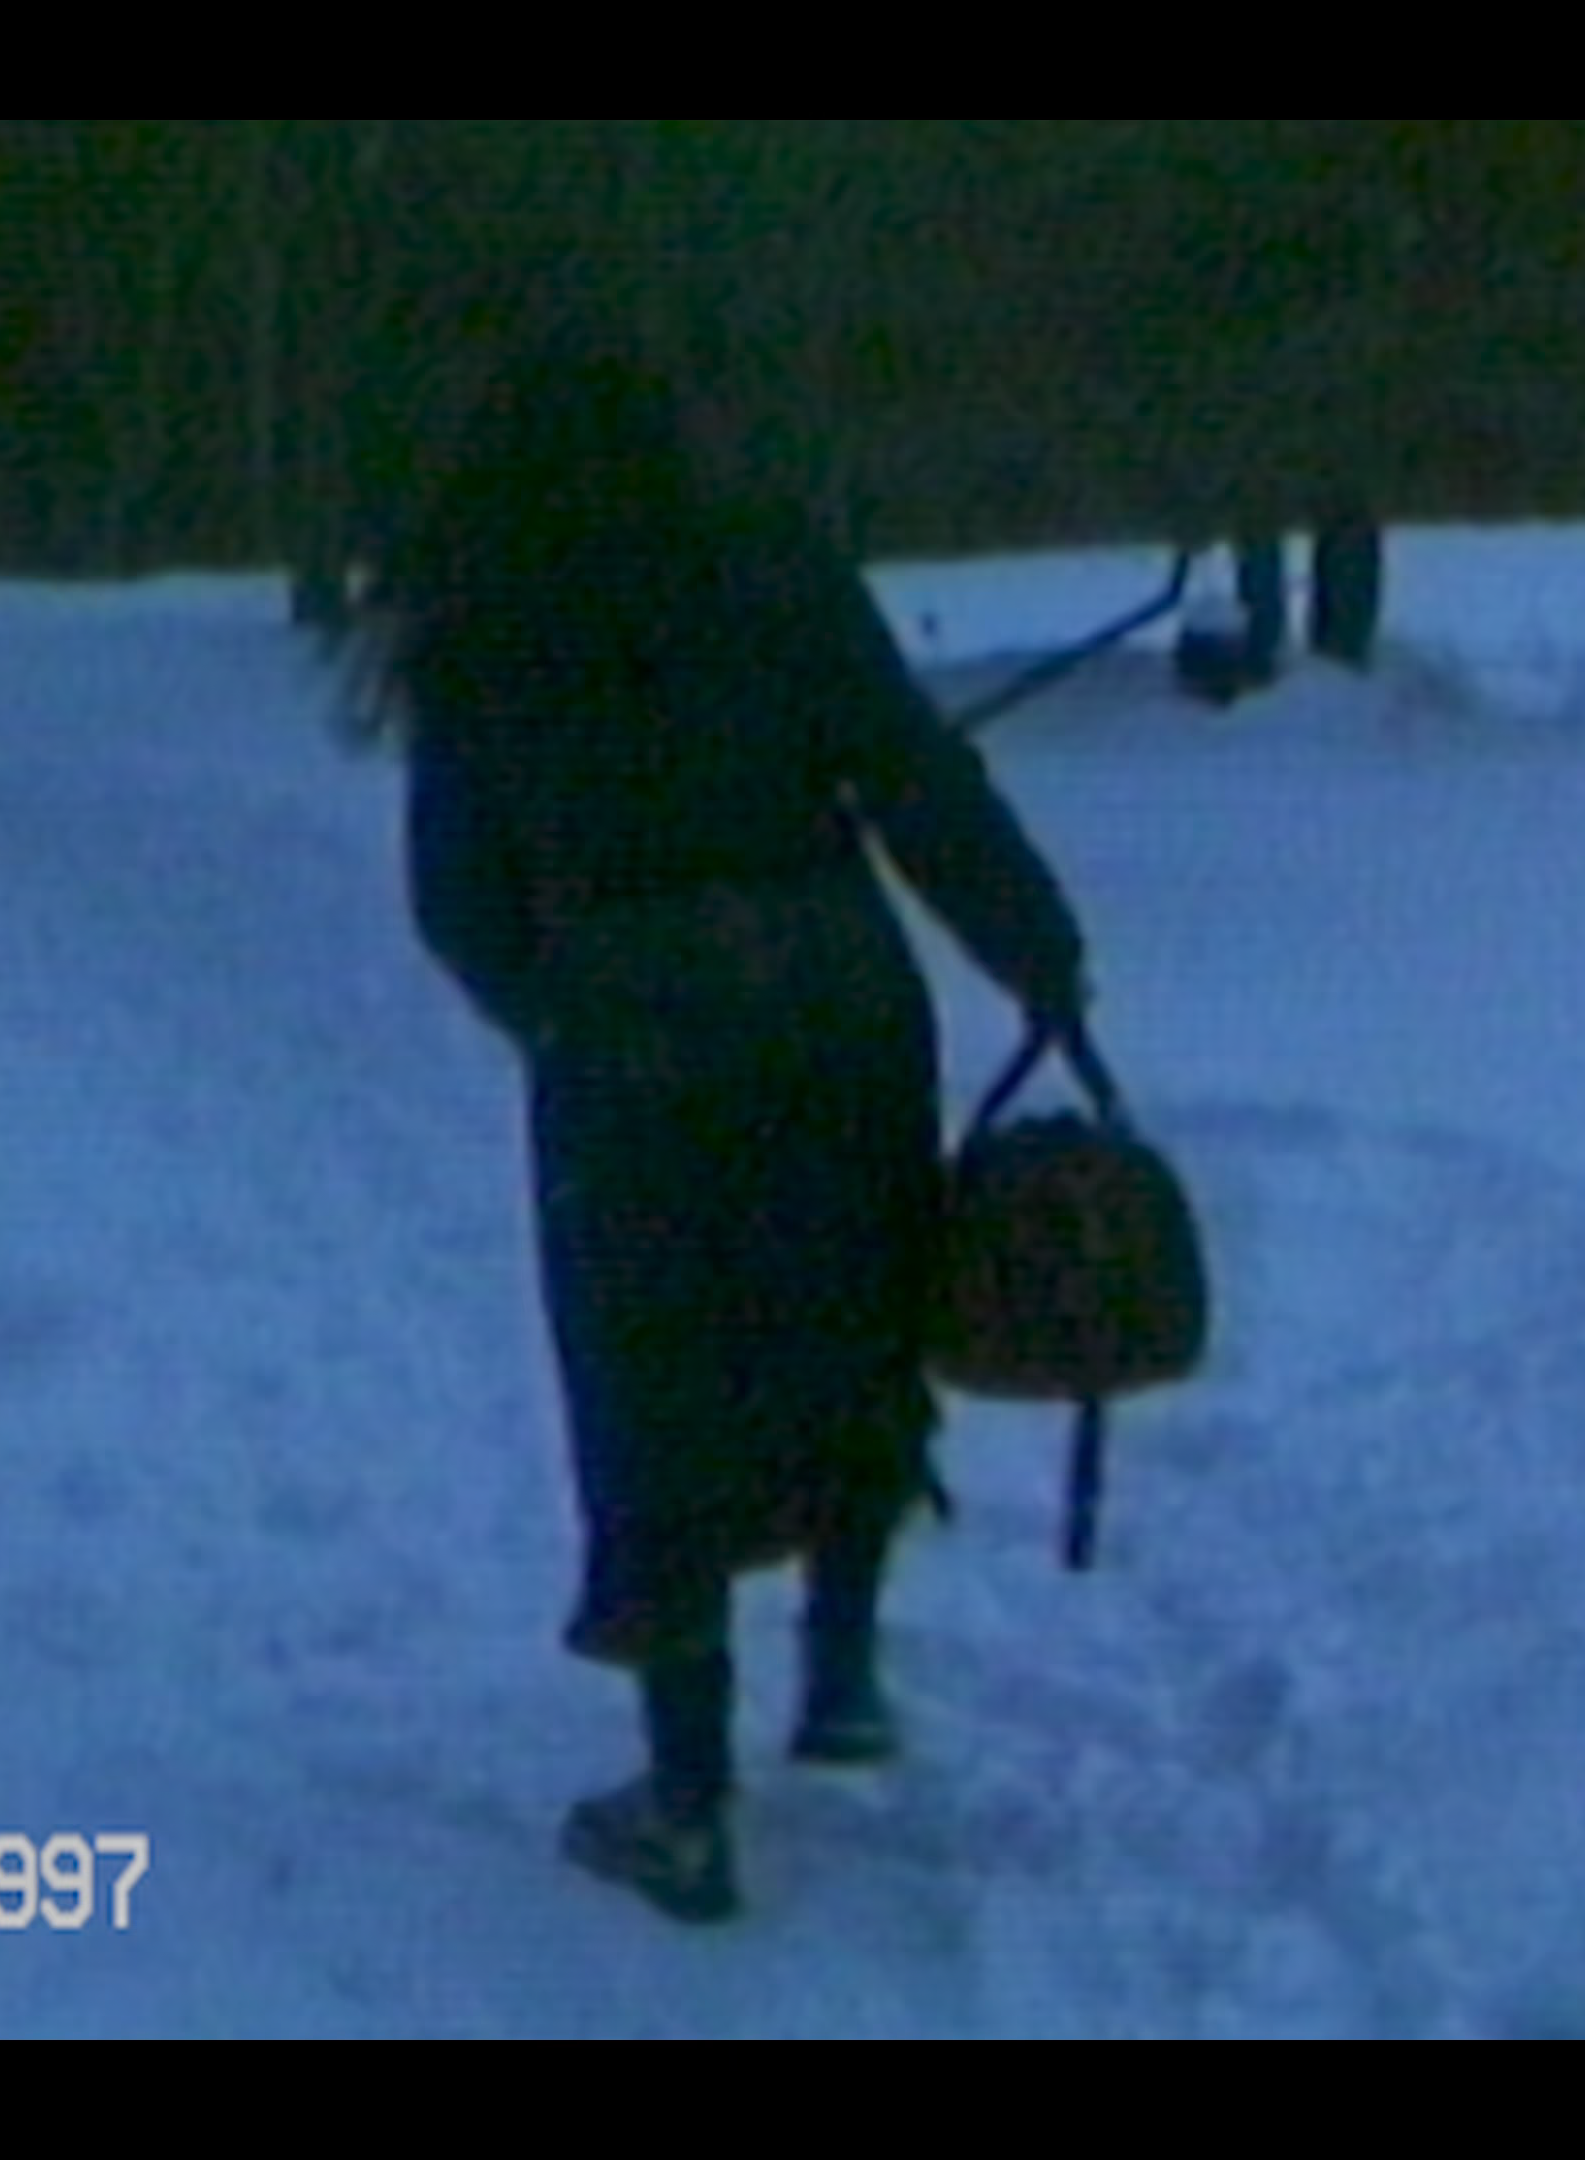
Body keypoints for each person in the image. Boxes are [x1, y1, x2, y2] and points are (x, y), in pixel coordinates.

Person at [363, 343, 1092, 1922]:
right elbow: (915, 779)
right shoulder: (775, 567)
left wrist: (560, 1008)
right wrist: (1040, 953)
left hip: (634, 1037)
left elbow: (455, 892)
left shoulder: (484, 618)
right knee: (853, 1323)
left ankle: (687, 1801)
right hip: (836, 994)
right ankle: (842, 1674)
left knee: (656, 1385)